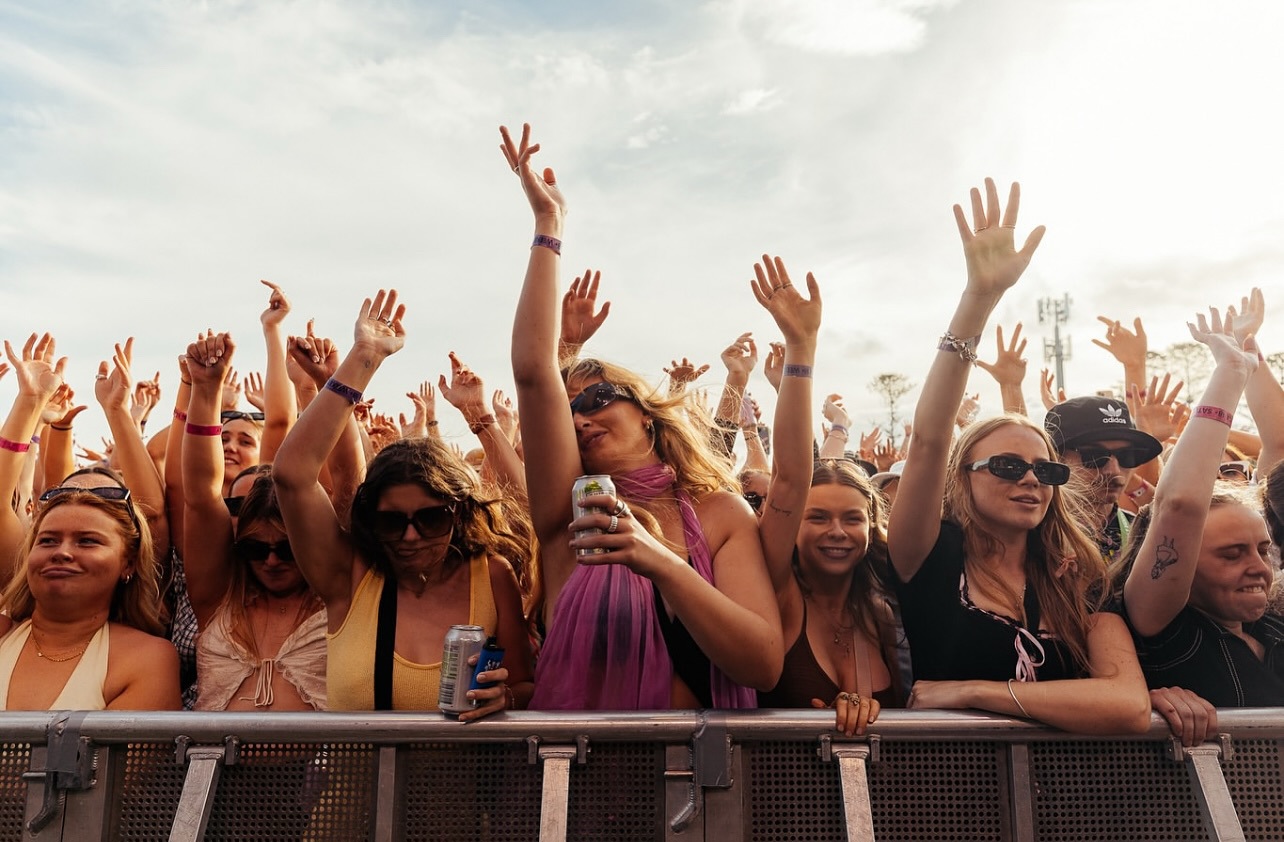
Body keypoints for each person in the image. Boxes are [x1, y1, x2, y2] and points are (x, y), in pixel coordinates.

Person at [501, 122, 782, 709]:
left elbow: (763, 664)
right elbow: (532, 372)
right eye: (570, 407)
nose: (581, 416)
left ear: (650, 416)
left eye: (600, 398)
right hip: (581, 773)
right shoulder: (571, 510)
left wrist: (658, 562)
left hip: (706, 778)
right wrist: (548, 226)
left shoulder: (721, 511)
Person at [886, 177, 1150, 734]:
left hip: (1068, 800)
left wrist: (972, 693)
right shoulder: (930, 554)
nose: (1031, 479)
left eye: (1046, 470)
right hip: (948, 794)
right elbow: (931, 436)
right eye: (1007, 466)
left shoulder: (1078, 576)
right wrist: (978, 298)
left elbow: (1127, 705)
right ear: (964, 477)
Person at [272, 289, 533, 718]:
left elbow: (524, 684)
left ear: (458, 511)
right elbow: (291, 474)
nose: (410, 537)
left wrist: (506, 698)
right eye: (392, 522)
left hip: (464, 785)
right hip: (354, 787)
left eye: (430, 518)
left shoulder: (491, 576)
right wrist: (364, 357)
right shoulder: (349, 576)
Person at [1112, 307, 1274, 744]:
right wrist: (1229, 372)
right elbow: (1179, 506)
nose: (1259, 567)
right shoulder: (1164, 628)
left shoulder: (1273, 624)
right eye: (1231, 553)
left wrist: (1251, 359)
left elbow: (1279, 449)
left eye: (1263, 549)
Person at [182, 331, 326, 711]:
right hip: (213, 768)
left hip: (322, 770)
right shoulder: (218, 599)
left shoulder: (334, 595)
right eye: (255, 548)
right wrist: (206, 390)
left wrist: (327, 385)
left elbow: (343, 480)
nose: (272, 560)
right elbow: (199, 496)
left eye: (287, 549)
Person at [0, 484, 179, 710]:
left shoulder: (147, 657)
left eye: (87, 541)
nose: (61, 552)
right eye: (48, 540)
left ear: (129, 564)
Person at [1043, 395, 1163, 563]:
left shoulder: (1142, 533)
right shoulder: (1032, 532)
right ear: (1056, 459)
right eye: (1093, 456)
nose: (1113, 470)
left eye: (1126, 456)